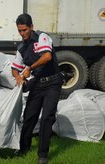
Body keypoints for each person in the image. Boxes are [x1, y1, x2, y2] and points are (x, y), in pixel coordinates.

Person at [11, 14, 63, 164]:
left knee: (47, 117)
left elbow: (46, 57)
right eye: (19, 31)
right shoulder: (21, 47)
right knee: (29, 117)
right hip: (37, 84)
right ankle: (23, 148)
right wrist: (18, 77)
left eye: (25, 30)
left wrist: (30, 68)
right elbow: (15, 68)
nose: (22, 34)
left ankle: (43, 155)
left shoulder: (42, 37)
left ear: (31, 27)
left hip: (53, 83)